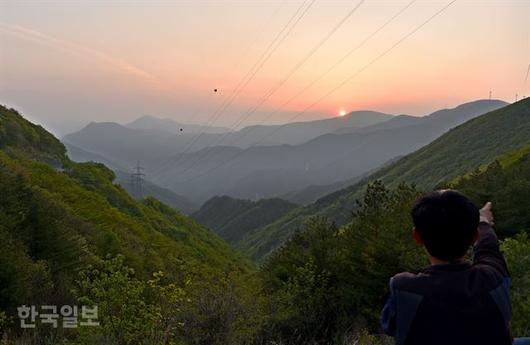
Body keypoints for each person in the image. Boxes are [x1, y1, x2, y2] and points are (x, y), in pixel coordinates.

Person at [381, 190, 512, 345]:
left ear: (417, 236)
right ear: (474, 236)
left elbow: (388, 325)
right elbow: (488, 247)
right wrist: (483, 221)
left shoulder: (403, 289)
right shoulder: (493, 277)